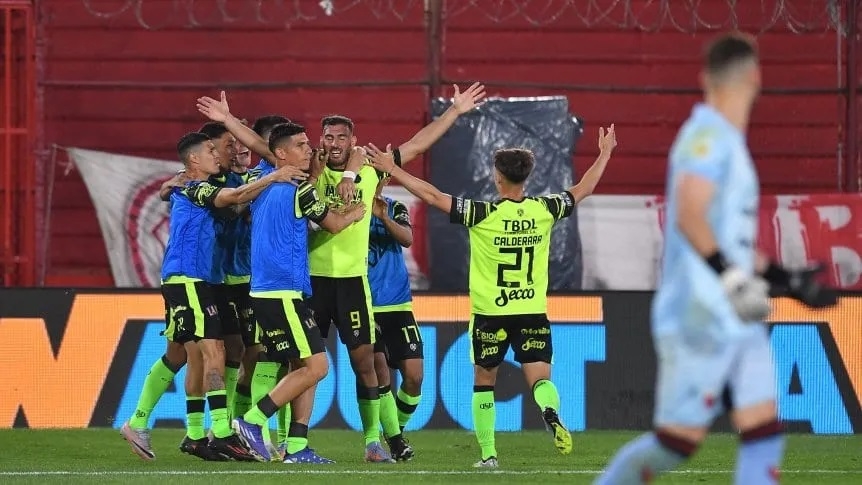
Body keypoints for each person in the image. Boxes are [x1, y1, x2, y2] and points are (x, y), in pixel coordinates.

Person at [594, 33, 837, 485]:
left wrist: (786, 277)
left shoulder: (728, 142)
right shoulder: (705, 137)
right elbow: (689, 214)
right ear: (756, 77)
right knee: (675, 445)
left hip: (734, 315)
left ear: (705, 78)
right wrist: (732, 279)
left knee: (763, 428)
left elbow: (729, 240)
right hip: (698, 314)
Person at [198, 83, 486, 462]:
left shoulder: (369, 168)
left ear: (353, 140)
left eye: (341, 137)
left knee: (364, 363)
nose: (333, 143)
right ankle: (289, 440)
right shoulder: (308, 168)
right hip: (310, 283)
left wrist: (454, 111)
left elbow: (417, 146)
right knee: (301, 362)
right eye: (327, 137)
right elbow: (265, 146)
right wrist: (227, 120)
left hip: (352, 283)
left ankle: (372, 442)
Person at [365, 121, 617, 467]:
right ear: (526, 178)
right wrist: (605, 153)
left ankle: (488, 455)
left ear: (498, 178)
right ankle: (549, 410)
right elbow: (584, 188)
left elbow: (433, 196)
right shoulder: (544, 210)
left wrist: (392, 169)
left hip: (490, 314)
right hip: (531, 310)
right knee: (540, 379)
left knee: (484, 383)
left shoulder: (482, 215)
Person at [149, 131, 297, 462]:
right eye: (211, 150)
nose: (217, 154)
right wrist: (274, 177)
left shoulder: (189, 184)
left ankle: (200, 435)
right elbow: (232, 197)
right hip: (187, 278)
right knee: (211, 352)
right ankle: (219, 431)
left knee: (210, 354)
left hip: (200, 280)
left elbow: (232, 199)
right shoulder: (195, 187)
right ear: (194, 159)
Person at [231, 122, 366, 463]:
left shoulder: (263, 184)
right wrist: (355, 213)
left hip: (266, 291)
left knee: (302, 365)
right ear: (280, 153)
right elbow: (333, 224)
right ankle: (252, 420)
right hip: (283, 292)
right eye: (301, 145)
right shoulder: (300, 190)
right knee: (318, 367)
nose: (310, 150)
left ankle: (296, 446)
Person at [368, 175, 422, 461]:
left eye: (378, 176)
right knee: (380, 375)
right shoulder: (347, 208)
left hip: (398, 306)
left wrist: (382, 217)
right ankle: (394, 440)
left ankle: (395, 430)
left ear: (385, 179)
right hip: (365, 306)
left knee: (414, 377)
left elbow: (407, 239)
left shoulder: (394, 207)